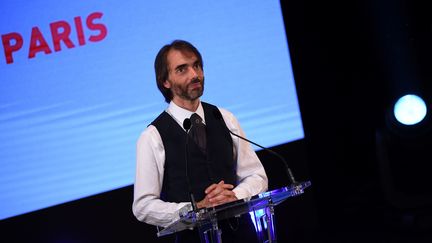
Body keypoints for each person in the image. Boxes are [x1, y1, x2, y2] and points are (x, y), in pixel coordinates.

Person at [132, 40, 268, 242]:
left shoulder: (224, 118)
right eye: (182, 69)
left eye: (197, 66)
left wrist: (235, 196)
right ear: (165, 82)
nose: (194, 75)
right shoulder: (153, 136)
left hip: (242, 234)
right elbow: (143, 205)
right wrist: (196, 209)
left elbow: (257, 176)